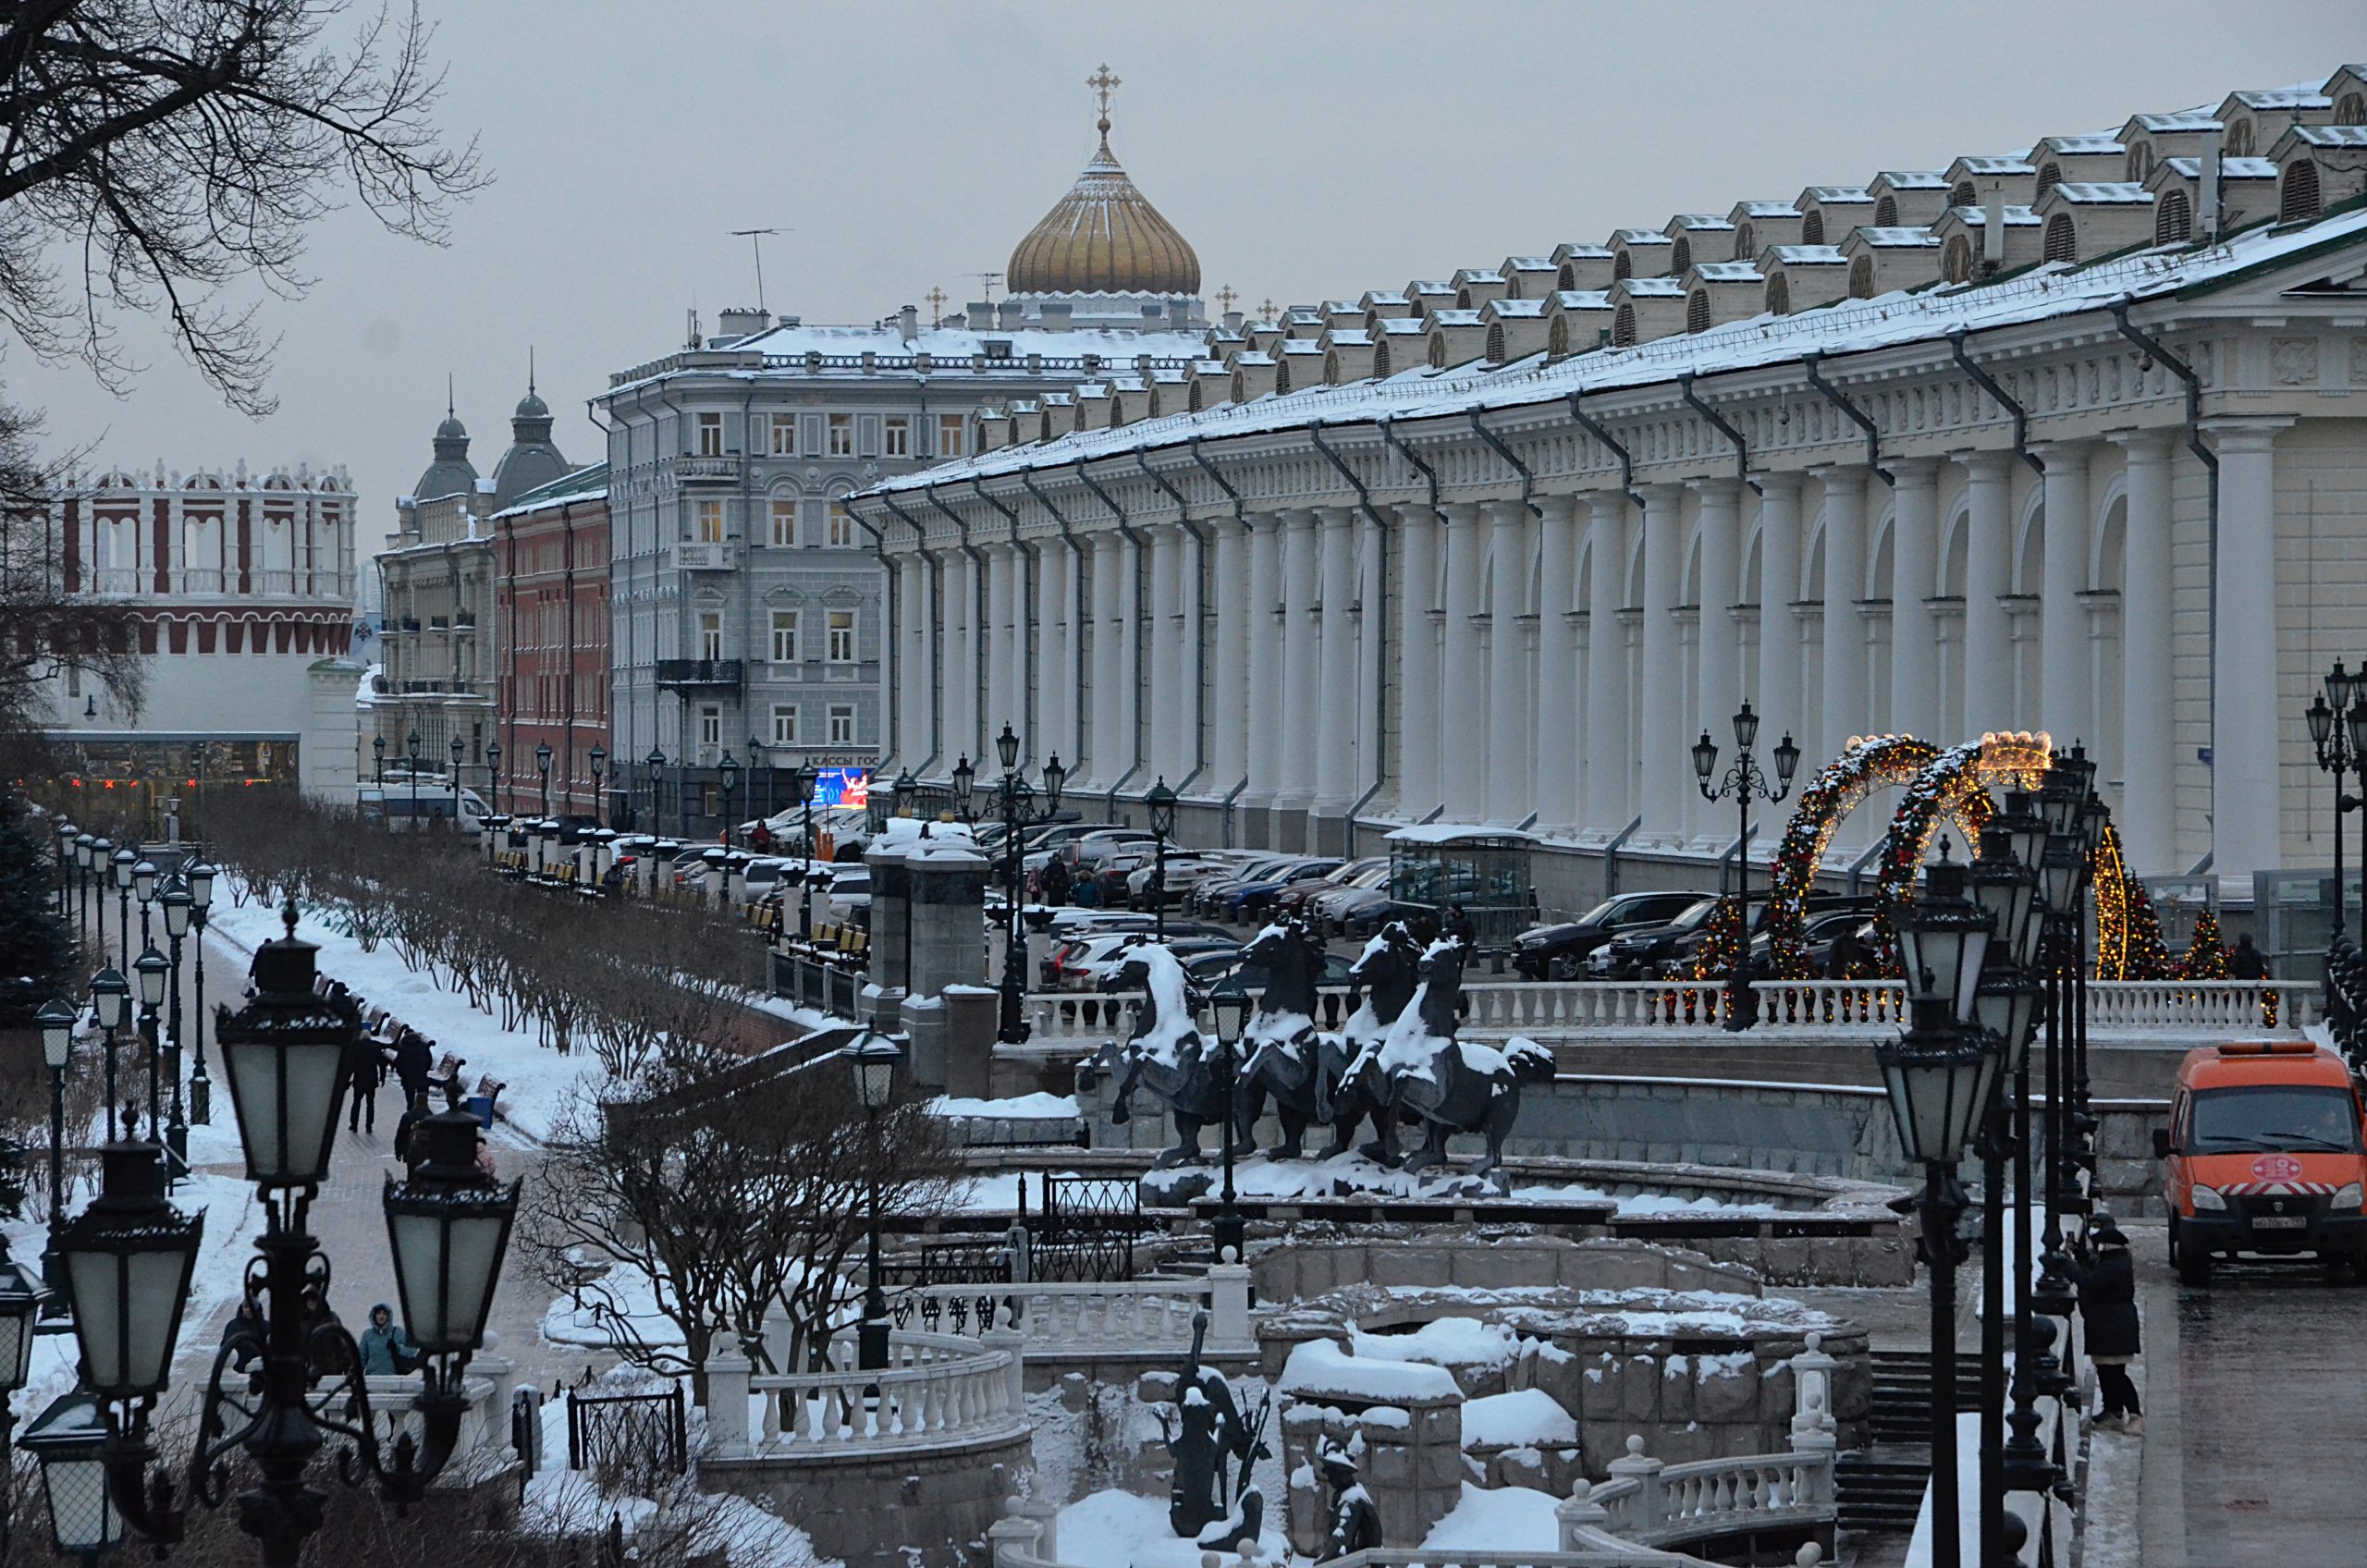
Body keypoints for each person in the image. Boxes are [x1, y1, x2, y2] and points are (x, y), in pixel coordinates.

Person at [2070, 1219, 2142, 1434]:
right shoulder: (2116, 1261)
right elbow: (2094, 1266)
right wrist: (2082, 1257)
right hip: (2107, 1325)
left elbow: (2091, 1282)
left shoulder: (2113, 1267)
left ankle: (2136, 1415)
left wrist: (2068, 1267)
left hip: (2114, 1327)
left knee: (2116, 1374)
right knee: (2106, 1370)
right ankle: (2113, 1412)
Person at [359, 1303, 417, 1376]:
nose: (381, 1316)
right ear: (374, 1316)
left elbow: (412, 1350)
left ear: (389, 1316)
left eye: (384, 1314)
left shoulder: (397, 1332)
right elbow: (361, 1358)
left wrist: (398, 1348)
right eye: (378, 1313)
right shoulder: (367, 1334)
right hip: (372, 1378)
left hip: (393, 1378)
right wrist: (356, 1376)